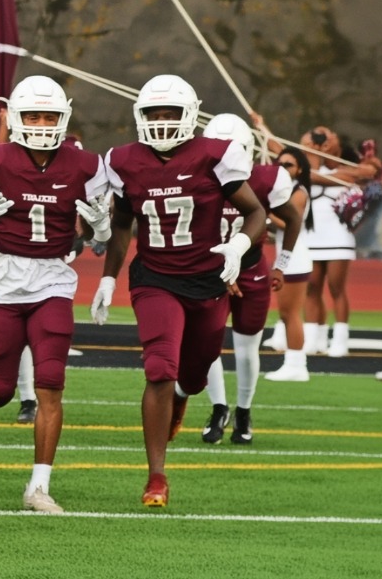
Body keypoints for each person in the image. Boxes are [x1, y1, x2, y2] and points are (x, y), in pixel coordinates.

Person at [96, 74, 265, 508]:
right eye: (154, 113)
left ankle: (184, 396)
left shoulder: (215, 155)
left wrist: (241, 245)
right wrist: (109, 277)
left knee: (192, 374)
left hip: (208, 281)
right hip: (155, 277)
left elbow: (255, 212)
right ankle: (156, 476)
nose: (163, 121)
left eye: (171, 113)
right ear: (140, 116)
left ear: (190, 116)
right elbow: (121, 224)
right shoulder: (124, 160)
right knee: (159, 367)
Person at [0, 75, 107, 513]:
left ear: (65, 119)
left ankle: (38, 487)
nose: (42, 123)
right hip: (2, 280)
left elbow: (100, 237)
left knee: (51, 385)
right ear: (17, 118)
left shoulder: (85, 165)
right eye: (34, 115)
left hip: (53, 282)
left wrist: (100, 229)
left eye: (50, 116)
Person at [192, 114, 303, 439]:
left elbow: (293, 219)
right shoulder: (195, 177)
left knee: (246, 348)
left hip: (252, 269)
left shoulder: (268, 179)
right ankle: (218, 409)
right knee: (207, 345)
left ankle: (243, 412)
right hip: (209, 270)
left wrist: (281, 264)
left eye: (234, 148)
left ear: (249, 150)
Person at [296, 127, 378, 358]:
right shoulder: (308, 169)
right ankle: (315, 339)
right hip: (312, 237)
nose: (321, 137)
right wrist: (262, 126)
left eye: (327, 135)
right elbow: (287, 155)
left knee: (336, 288)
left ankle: (340, 339)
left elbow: (371, 170)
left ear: (336, 144)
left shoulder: (350, 171)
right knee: (311, 288)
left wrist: (334, 174)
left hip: (338, 238)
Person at [264, 146, 317, 381]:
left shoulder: (299, 191)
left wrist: (264, 212)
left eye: (288, 165)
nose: (282, 168)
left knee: (290, 313)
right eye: (279, 163)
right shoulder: (285, 190)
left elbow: (288, 223)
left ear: (300, 169)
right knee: (286, 314)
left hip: (295, 259)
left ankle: (296, 365)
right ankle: (294, 363)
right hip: (289, 256)